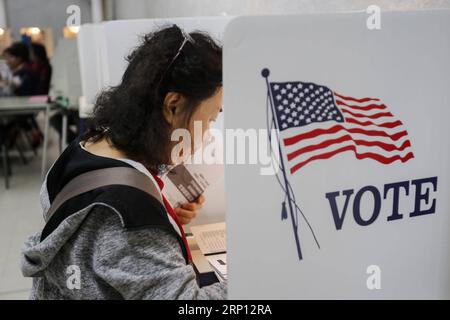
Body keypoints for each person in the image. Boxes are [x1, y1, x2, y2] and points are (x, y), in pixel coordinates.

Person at [21, 25, 226, 299]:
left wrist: (165, 219)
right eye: (210, 118)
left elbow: (100, 244)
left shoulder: (82, 149)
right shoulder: (129, 215)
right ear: (173, 106)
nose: (208, 132)